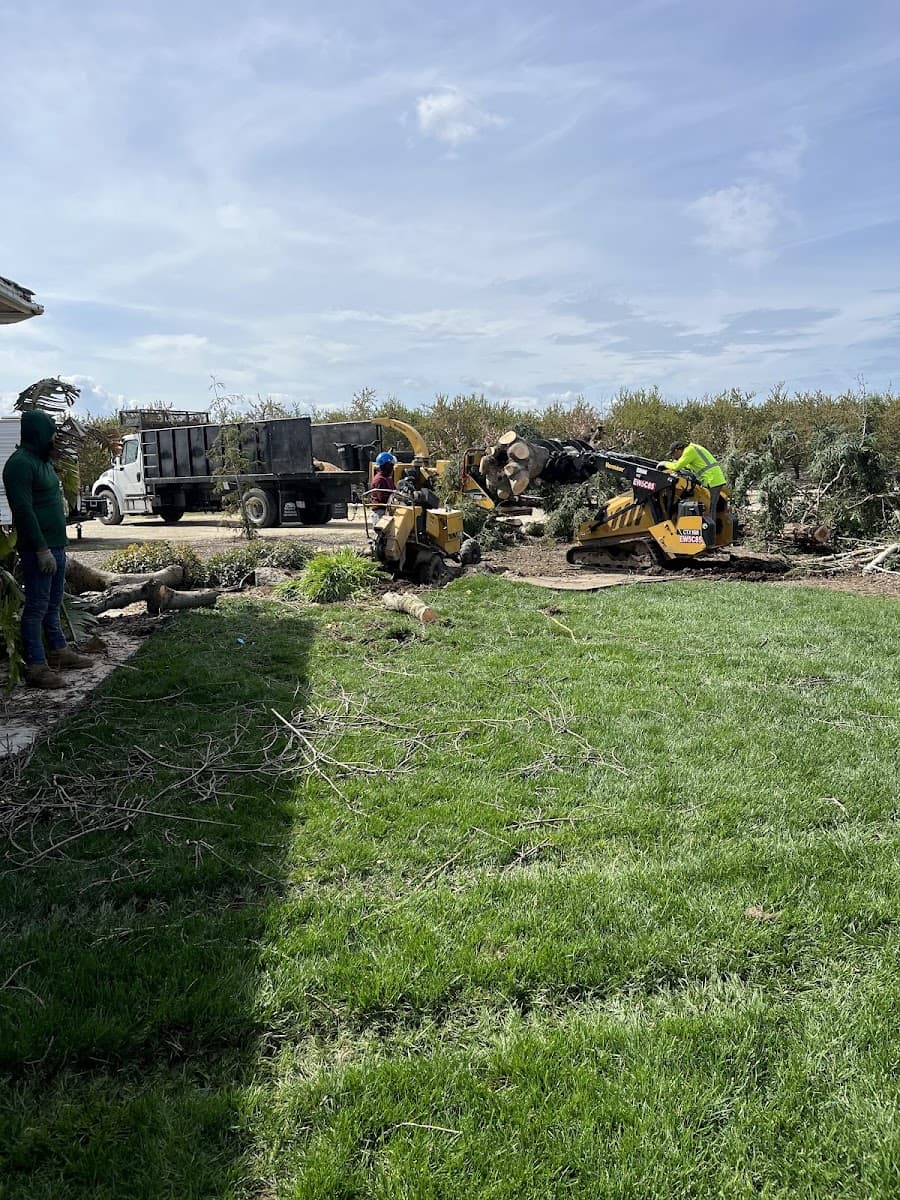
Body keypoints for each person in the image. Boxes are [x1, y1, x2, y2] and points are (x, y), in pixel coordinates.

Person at [2, 410, 93, 688]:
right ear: (38, 433)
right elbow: (23, 510)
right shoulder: (20, 464)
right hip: (38, 549)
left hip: (56, 545)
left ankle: (59, 652)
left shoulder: (42, 462)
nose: (55, 438)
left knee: (52, 604)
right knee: (36, 607)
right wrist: (41, 549)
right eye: (51, 432)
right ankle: (37, 667)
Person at [657, 440, 727, 539]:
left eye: (674, 454)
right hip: (714, 479)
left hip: (712, 480)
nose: (674, 456)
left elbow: (677, 467)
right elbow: (688, 465)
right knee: (710, 508)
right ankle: (709, 535)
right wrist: (674, 463)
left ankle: (709, 537)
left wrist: (664, 463)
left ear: (678, 450)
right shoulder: (693, 448)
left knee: (710, 509)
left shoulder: (689, 451)